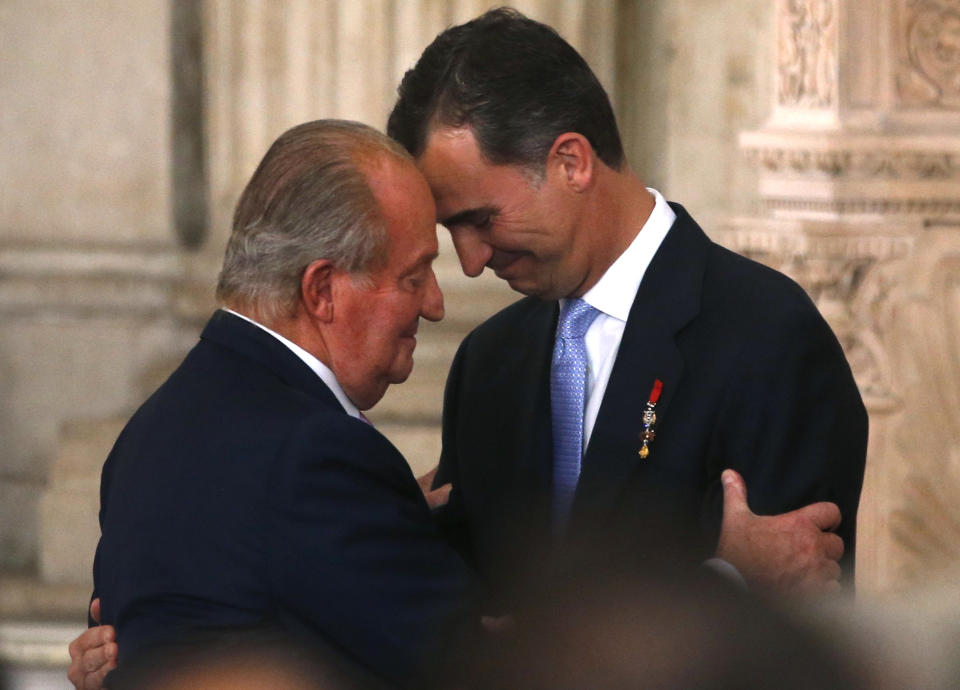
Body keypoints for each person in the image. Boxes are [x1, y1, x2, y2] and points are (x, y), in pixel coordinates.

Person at [385, 7, 867, 601]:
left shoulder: (768, 338)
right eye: (449, 231)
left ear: (571, 162)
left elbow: (796, 624)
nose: (469, 260)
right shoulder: (489, 361)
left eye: (481, 220)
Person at [81, 120, 476, 688]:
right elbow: (470, 665)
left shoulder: (150, 432)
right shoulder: (314, 456)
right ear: (321, 290)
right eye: (413, 277)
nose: (435, 305)